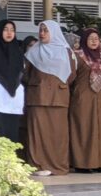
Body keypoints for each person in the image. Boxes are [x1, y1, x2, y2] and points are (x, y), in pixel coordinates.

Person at [24, 20, 77, 176]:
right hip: (38, 97)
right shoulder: (33, 51)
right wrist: (40, 83)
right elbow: (26, 74)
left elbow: (72, 74)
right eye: (41, 30)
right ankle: (38, 165)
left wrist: (55, 84)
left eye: (46, 30)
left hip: (59, 97)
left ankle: (57, 165)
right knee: (38, 132)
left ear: (54, 32)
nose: (42, 34)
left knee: (58, 133)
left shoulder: (67, 52)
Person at [70, 28, 101, 173]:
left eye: (96, 38)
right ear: (84, 40)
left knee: (98, 127)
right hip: (83, 96)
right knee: (84, 127)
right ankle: (83, 163)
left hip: (98, 97)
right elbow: (70, 77)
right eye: (90, 38)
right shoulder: (77, 56)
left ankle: (99, 162)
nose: (94, 41)